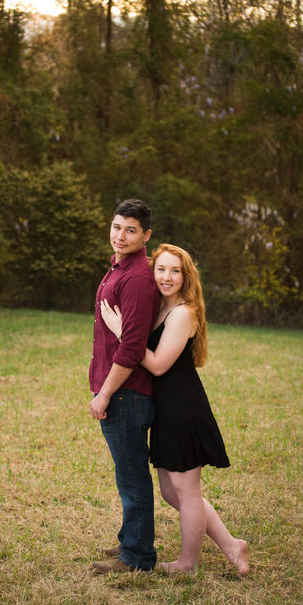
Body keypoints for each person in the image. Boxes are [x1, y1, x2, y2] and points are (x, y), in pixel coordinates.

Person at [100, 243, 249, 576]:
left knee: (187, 492)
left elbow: (157, 365)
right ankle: (231, 545)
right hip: (166, 408)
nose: (166, 277)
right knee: (172, 492)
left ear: (186, 276)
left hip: (183, 409)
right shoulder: (161, 308)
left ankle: (187, 563)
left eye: (175, 271)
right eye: (161, 269)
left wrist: (123, 333)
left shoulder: (183, 312)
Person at [89, 199, 160, 574]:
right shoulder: (119, 268)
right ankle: (130, 541)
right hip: (118, 391)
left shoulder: (135, 278)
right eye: (117, 227)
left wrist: (104, 394)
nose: (120, 235)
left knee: (132, 476)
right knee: (127, 473)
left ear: (146, 235)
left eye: (130, 230)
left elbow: (131, 348)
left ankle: (137, 557)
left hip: (125, 395)